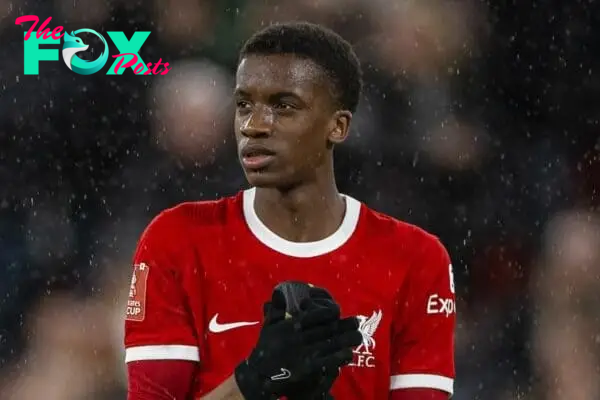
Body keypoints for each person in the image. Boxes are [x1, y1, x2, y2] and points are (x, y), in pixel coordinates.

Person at [124, 21, 456, 400]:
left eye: (283, 106)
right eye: (244, 105)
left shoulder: (416, 259)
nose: (254, 125)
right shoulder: (177, 239)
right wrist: (256, 378)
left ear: (338, 126)